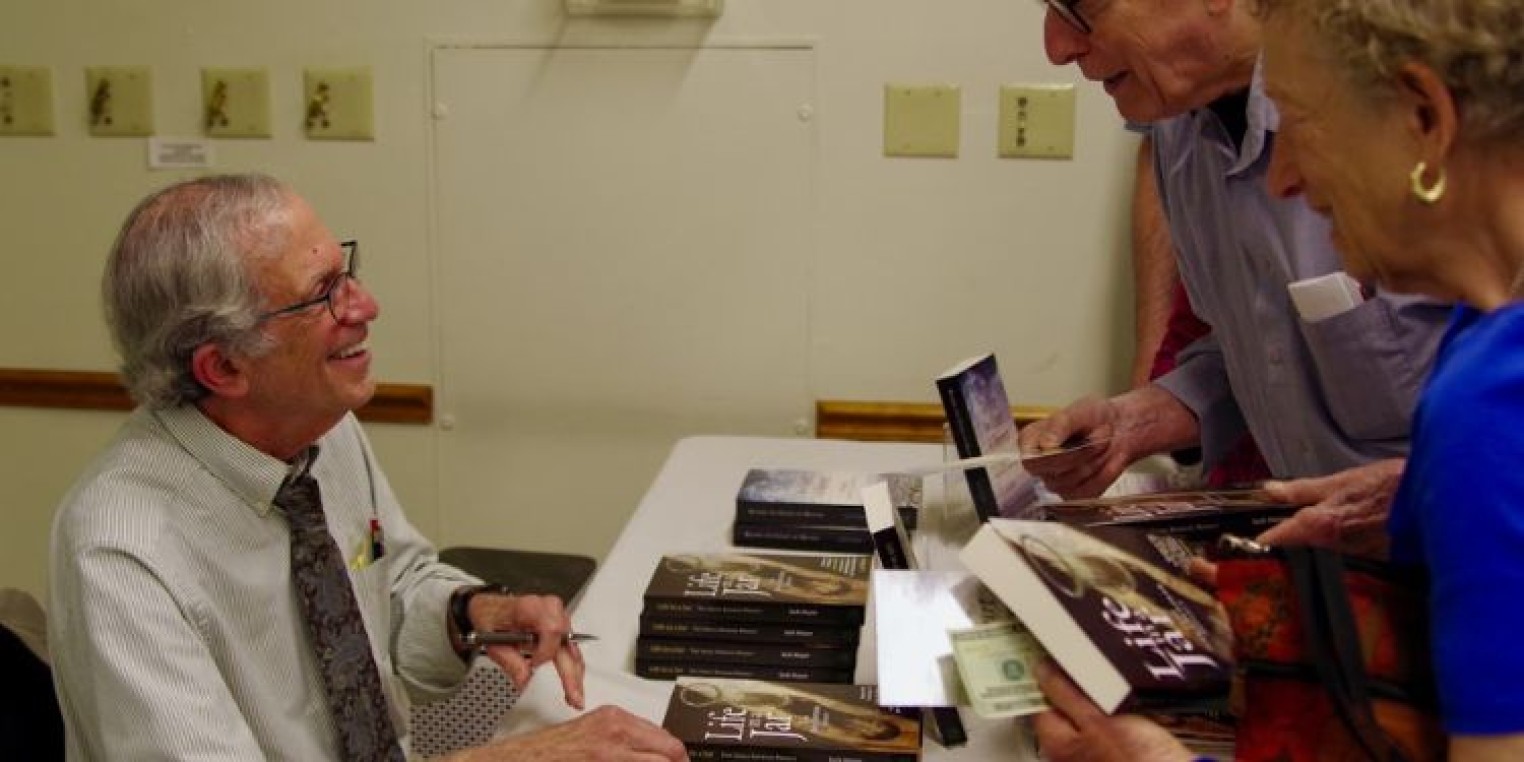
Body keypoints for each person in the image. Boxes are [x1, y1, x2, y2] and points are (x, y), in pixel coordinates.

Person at [48, 174, 687, 761]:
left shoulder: (322, 431)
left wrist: (472, 615)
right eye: (323, 294)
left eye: (346, 272)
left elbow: (390, 589)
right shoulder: (120, 550)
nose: (366, 305)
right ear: (225, 367)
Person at [1034, 0, 1524, 757]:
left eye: (1299, 120)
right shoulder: (1483, 353)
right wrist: (1421, 492)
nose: (1282, 175)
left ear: (1426, 117)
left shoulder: (1485, 404)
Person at [1018, 0, 1451, 548]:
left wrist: (1421, 496)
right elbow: (1255, 348)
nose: (1057, 48)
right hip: (1332, 568)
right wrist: (1131, 424)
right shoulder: (1176, 134)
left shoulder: (1399, 103)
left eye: (1081, 7)